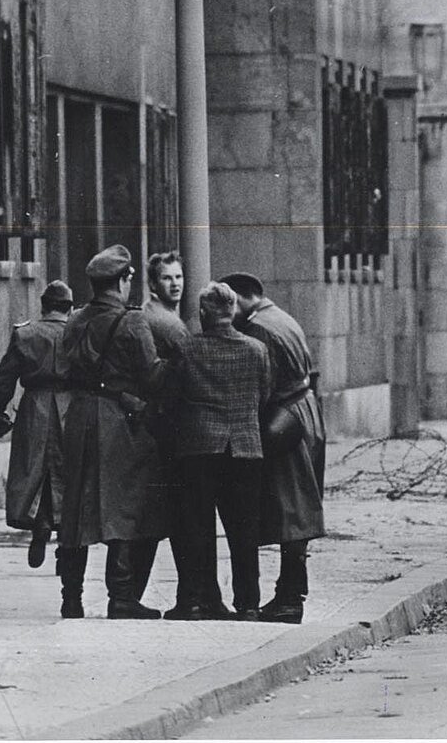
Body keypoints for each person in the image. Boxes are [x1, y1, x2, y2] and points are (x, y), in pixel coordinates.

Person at [58, 244, 167, 619]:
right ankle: (121, 595)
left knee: (76, 505)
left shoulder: (73, 319)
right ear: (122, 281)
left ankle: (70, 597)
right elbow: (151, 374)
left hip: (78, 416)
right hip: (119, 419)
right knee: (123, 501)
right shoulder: (133, 322)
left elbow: (65, 367)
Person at [220, 273, 325, 625]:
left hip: (285, 419)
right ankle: (289, 593)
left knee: (291, 509)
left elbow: (261, 384)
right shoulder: (281, 316)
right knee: (299, 506)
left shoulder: (259, 329)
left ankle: (290, 598)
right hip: (303, 411)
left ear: (242, 298)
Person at [0, 280, 87, 618]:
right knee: (72, 494)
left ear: (43, 306)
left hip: (35, 409)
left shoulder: (25, 334)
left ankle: (40, 522)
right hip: (73, 410)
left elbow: (3, 378)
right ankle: (73, 596)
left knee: (34, 475)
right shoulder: (80, 332)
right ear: (70, 307)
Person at [166, 282, 271, 620]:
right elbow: (264, 395)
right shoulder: (256, 350)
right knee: (245, 530)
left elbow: (174, 394)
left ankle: (196, 601)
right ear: (232, 312)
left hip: (198, 448)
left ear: (202, 314)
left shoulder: (187, 350)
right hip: (245, 448)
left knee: (196, 526)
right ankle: (249, 604)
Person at [140, 252, 231, 619]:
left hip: (166, 429)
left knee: (182, 518)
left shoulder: (162, 318)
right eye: (166, 278)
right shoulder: (168, 324)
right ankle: (198, 596)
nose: (175, 283)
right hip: (173, 431)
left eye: (178, 277)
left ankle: (194, 595)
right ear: (153, 283)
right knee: (186, 518)